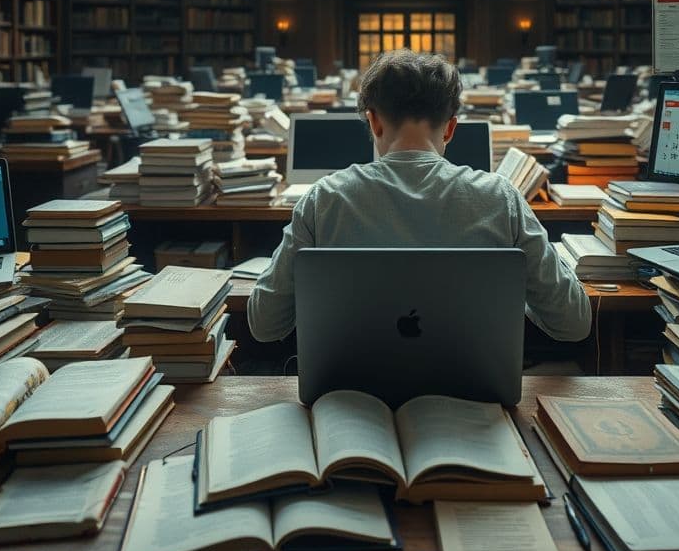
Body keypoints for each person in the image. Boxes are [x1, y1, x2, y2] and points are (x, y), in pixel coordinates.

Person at [248, 48, 591, 343]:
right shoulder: (501, 198)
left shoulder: (324, 199)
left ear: (373, 123)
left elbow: (264, 325)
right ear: (451, 128)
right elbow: (573, 323)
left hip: (349, 391)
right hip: (472, 391)